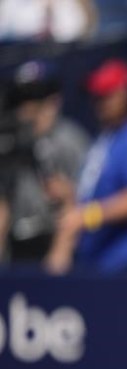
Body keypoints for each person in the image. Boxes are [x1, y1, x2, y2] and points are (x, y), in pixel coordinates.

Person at [44, 57, 127, 275]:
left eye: (108, 94)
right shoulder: (106, 137)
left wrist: (86, 216)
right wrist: (70, 196)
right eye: (97, 95)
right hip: (100, 264)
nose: (100, 101)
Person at [0, 59, 90, 266]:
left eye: (36, 100)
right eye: (22, 100)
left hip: (56, 242)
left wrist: (69, 194)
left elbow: (89, 198)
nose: (28, 109)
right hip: (15, 244)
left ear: (54, 101)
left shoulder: (70, 140)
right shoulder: (9, 142)